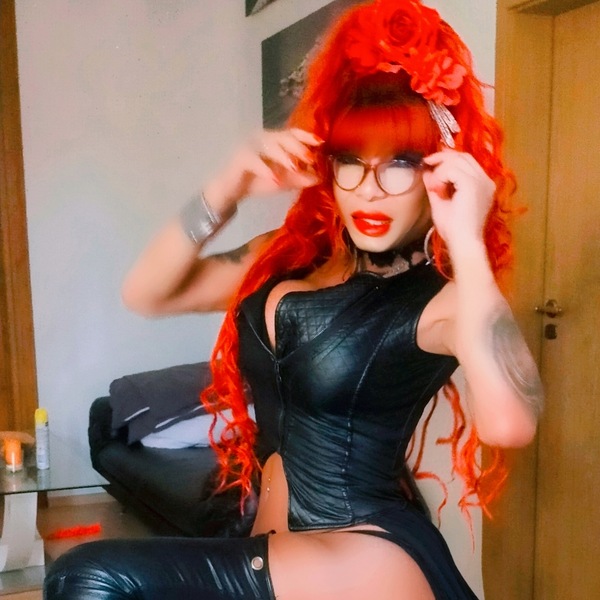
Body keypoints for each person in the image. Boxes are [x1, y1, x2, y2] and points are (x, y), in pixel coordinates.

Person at [44, 1, 543, 598]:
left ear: (439, 170)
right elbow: (147, 293)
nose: (370, 191)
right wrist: (225, 188)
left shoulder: (441, 298)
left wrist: (466, 241)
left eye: (399, 165)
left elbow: (510, 423)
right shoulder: (288, 259)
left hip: (364, 556)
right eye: (350, 163)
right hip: (280, 548)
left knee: (89, 576)